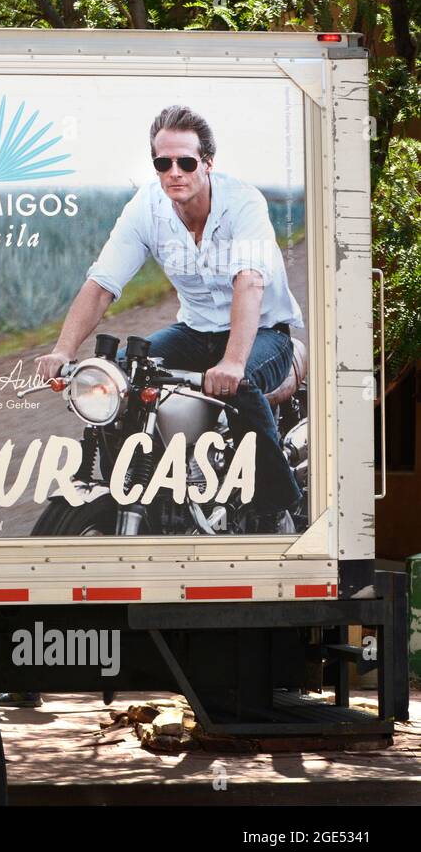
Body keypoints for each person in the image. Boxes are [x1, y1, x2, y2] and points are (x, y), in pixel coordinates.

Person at [35, 104, 304, 533]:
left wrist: (234, 362)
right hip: (195, 331)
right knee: (115, 374)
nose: (174, 171)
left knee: (242, 386)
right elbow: (102, 284)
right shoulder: (147, 208)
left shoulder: (242, 203)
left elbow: (249, 282)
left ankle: (278, 503)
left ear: (208, 163)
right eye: (163, 162)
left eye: (186, 161)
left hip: (262, 333)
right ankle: (137, 483)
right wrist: (63, 351)